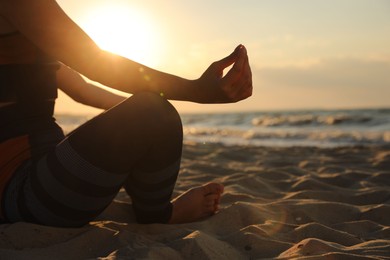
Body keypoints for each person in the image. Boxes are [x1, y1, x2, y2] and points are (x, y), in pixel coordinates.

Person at [0, 0, 252, 227]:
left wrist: (145, 122)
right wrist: (195, 92)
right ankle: (160, 214)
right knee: (155, 111)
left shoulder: (25, 44)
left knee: (153, 112)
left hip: (42, 177)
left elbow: (83, 91)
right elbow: (93, 62)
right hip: (23, 193)